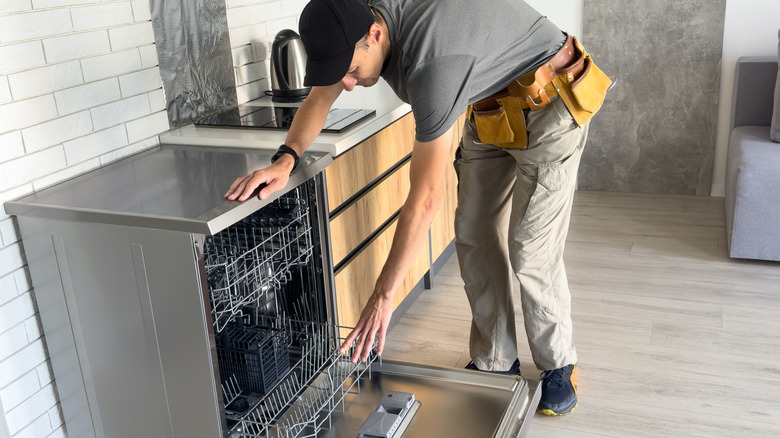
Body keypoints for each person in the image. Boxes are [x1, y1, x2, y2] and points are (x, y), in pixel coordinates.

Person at [225, 0, 611, 416]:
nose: (349, 84)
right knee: (473, 234)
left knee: (529, 248)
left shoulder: (434, 67)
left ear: (375, 34)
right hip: (489, 105)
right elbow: (321, 97)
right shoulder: (356, 19)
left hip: (549, 99)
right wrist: (286, 159)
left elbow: (425, 200)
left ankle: (558, 363)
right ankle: (496, 361)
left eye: (352, 70)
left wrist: (383, 295)